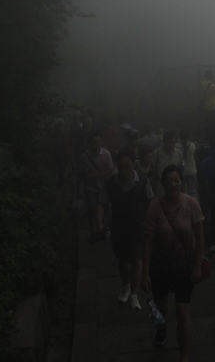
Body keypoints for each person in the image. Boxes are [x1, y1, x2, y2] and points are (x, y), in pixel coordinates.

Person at [142, 165, 205, 357]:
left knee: (182, 312)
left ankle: (184, 356)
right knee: (161, 307)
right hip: (160, 265)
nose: (173, 184)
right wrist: (144, 273)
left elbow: (200, 237)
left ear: (182, 182)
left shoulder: (191, 203)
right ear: (163, 184)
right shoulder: (155, 206)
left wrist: (197, 266)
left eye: (177, 180)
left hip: (184, 265)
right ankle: (161, 328)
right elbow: (148, 242)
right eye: (169, 181)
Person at [106, 148, 154, 310]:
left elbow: (150, 202)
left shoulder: (142, 181)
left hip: (138, 227)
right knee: (122, 258)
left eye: (126, 165)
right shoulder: (111, 183)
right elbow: (102, 202)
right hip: (118, 227)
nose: (123, 169)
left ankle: (134, 294)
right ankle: (125, 286)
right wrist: (100, 223)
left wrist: (150, 224)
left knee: (136, 257)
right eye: (120, 166)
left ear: (134, 164)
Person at [81, 131, 115, 242]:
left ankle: (101, 229)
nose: (96, 144)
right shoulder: (85, 156)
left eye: (98, 141)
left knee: (105, 210)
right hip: (91, 188)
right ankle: (94, 230)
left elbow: (111, 170)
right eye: (94, 141)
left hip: (104, 188)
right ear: (90, 142)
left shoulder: (106, 154)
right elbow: (83, 174)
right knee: (92, 209)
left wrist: (96, 175)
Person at [173, 129, 198, 197]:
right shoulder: (192, 145)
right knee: (192, 192)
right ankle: (193, 205)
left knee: (181, 192)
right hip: (192, 170)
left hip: (181, 171)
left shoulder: (176, 146)